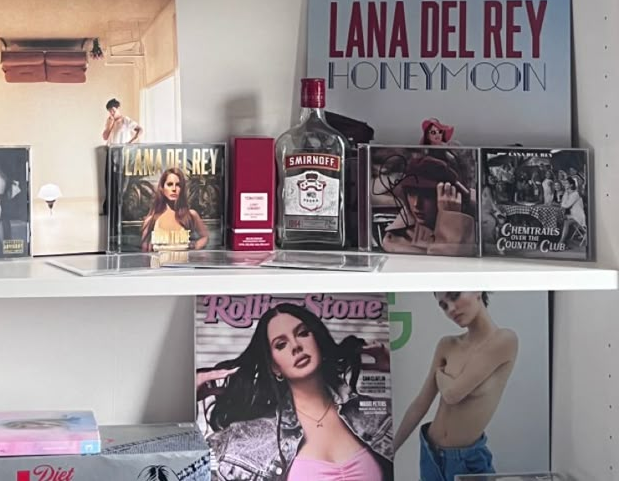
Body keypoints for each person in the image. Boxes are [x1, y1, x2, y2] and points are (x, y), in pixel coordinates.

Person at [198, 302, 393, 480]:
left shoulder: (376, 413)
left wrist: (394, 369)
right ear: (275, 367)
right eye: (281, 344)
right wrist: (188, 402)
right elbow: (183, 469)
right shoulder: (249, 437)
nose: (296, 346)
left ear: (317, 341)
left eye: (302, 333)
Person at [393, 292, 518, 481]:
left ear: (477, 290)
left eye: (454, 296)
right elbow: (421, 403)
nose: (451, 309)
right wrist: (390, 450)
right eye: (443, 305)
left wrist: (440, 375)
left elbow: (452, 394)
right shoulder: (447, 344)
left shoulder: (505, 339)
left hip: (467, 462)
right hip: (430, 454)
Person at [382, 153, 476, 256]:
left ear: (452, 194)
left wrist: (451, 217)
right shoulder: (398, 237)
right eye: (411, 194)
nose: (417, 204)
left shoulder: (479, 218)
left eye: (427, 195)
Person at [141, 168, 209, 252]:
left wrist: (194, 247)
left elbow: (205, 237)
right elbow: (144, 254)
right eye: (169, 184)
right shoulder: (151, 220)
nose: (174, 189)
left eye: (178, 185)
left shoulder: (191, 215)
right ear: (162, 188)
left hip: (184, 263)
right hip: (159, 264)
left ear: (182, 188)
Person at [102, 98, 142, 216]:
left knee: (121, 181)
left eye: (113, 110)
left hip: (122, 152)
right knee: (109, 181)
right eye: (110, 111)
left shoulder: (126, 120)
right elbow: (105, 136)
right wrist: (109, 126)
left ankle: (122, 209)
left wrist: (131, 142)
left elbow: (140, 130)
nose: (112, 113)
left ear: (118, 108)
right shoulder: (110, 121)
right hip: (110, 151)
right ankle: (109, 209)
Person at [560, 176, 586, 247]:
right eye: (564, 183)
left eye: (566, 183)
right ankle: (563, 240)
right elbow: (563, 203)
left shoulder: (575, 194)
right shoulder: (567, 193)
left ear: (571, 185)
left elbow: (566, 205)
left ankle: (561, 242)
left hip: (578, 216)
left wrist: (565, 195)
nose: (565, 185)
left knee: (566, 222)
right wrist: (566, 193)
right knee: (560, 219)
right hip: (572, 215)